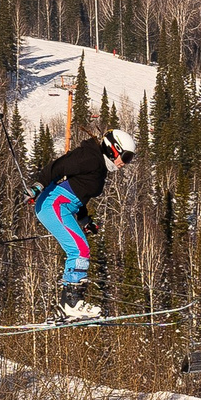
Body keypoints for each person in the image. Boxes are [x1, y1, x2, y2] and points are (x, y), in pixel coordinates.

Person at [31, 127, 136, 313]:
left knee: (80, 248)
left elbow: (78, 193)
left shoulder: (99, 166)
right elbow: (59, 166)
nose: (125, 163)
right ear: (114, 149)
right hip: (52, 205)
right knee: (79, 249)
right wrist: (38, 185)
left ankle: (69, 304)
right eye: (126, 157)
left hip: (60, 206)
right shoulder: (90, 157)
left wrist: (84, 219)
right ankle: (71, 303)